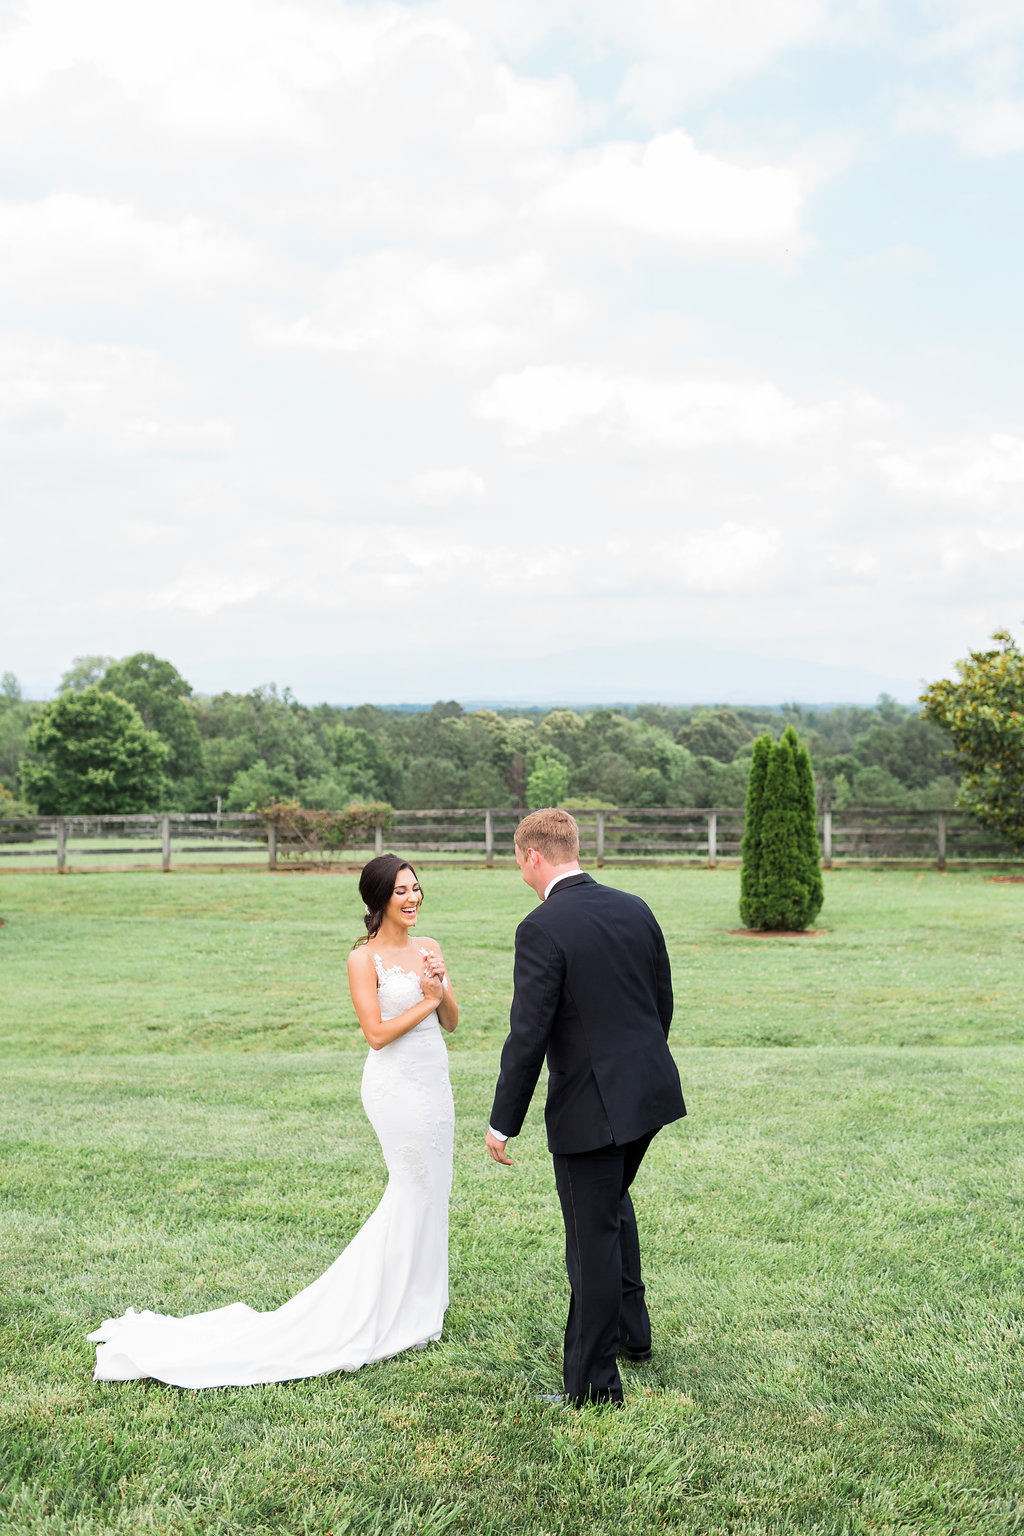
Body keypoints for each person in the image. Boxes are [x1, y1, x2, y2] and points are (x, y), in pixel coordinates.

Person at [89, 854, 457, 1387]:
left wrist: (441, 991)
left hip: (435, 1084)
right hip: (396, 1089)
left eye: (417, 888)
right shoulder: (363, 960)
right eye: (402, 890)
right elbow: (375, 1035)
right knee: (412, 1189)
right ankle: (386, 1310)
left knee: (434, 1192)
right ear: (378, 900)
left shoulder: (431, 949)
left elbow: (452, 1020)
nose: (413, 898)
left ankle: (422, 1306)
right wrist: (425, 1002)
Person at [485, 808, 685, 1407]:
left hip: (592, 1108)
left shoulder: (541, 926)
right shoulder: (635, 906)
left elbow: (529, 1035)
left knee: (589, 1238)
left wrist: (502, 1122)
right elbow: (661, 1003)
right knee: (611, 1207)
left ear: (532, 856)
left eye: (519, 859)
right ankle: (632, 1335)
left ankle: (594, 1389)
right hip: (647, 1094)